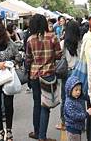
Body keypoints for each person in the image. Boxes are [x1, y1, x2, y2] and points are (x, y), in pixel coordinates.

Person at [25, 13, 62, 141]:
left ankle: (36, 131)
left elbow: (28, 59)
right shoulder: (53, 37)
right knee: (45, 104)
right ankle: (42, 136)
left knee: (36, 103)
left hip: (34, 75)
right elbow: (58, 55)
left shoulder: (30, 39)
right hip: (48, 74)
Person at [57, 20, 82, 131]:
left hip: (67, 73)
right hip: (79, 72)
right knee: (79, 97)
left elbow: (58, 56)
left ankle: (64, 122)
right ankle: (81, 122)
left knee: (65, 97)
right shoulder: (80, 42)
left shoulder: (63, 43)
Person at [64, 76, 91, 141]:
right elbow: (74, 116)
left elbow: (85, 97)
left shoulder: (75, 98)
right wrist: (86, 113)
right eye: (76, 90)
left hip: (76, 129)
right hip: (72, 130)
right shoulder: (69, 102)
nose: (78, 92)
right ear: (69, 89)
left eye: (80, 90)